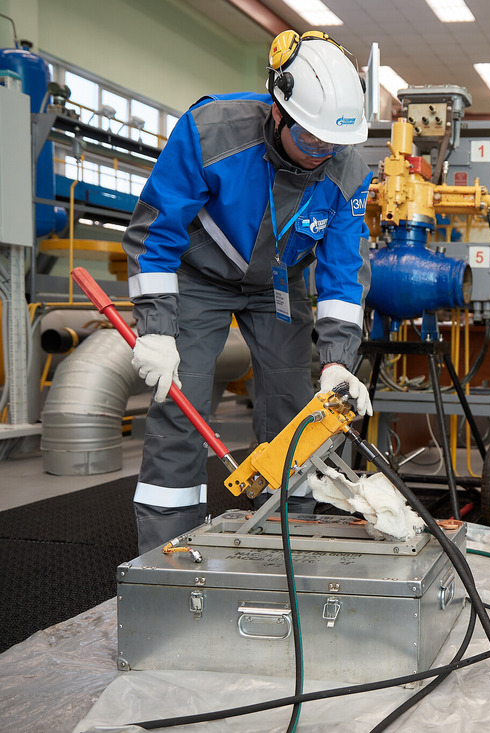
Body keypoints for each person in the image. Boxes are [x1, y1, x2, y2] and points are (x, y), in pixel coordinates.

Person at [123, 30, 374, 554]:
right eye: (310, 139)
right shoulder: (210, 132)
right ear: (278, 112)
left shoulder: (346, 166)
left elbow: (343, 270)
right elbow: (156, 233)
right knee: (179, 403)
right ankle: (168, 555)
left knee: (300, 410)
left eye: (333, 142)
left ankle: (293, 539)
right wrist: (156, 328)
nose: (321, 153)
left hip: (278, 285)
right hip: (198, 278)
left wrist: (338, 361)